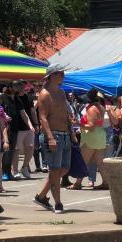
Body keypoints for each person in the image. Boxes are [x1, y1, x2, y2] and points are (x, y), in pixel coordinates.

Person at [32, 65, 75, 215]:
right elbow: (42, 117)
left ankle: (42, 196)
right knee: (55, 170)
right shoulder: (44, 94)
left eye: (63, 73)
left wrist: (71, 132)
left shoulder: (62, 93)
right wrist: (50, 137)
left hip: (65, 134)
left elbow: (65, 114)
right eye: (59, 73)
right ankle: (58, 203)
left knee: (64, 169)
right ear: (51, 75)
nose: (62, 75)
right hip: (53, 135)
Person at [72, 88, 109, 190]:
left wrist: (77, 123)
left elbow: (91, 126)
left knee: (83, 161)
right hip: (100, 135)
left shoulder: (91, 108)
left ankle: (77, 183)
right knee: (100, 162)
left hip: (91, 137)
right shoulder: (100, 106)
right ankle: (106, 182)